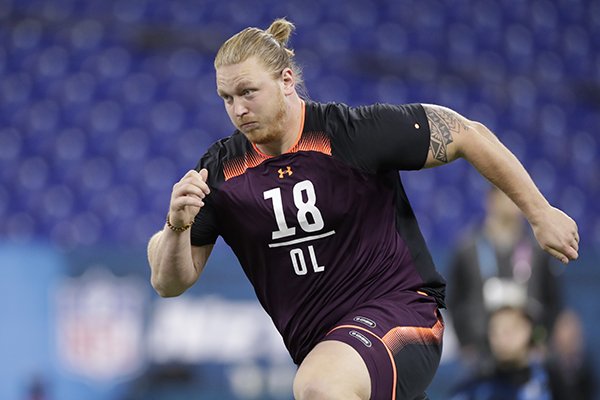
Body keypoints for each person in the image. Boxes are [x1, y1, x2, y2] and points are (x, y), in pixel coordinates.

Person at [146, 18, 579, 400]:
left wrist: (540, 213)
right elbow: (168, 282)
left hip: (403, 319)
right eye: (226, 97)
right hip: (330, 349)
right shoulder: (222, 170)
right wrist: (176, 227)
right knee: (323, 382)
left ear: (286, 80)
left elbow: (466, 133)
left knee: (318, 387)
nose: (237, 109)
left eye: (247, 92)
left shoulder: (349, 135)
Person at [446, 185, 563, 363]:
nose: (516, 202)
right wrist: (466, 343)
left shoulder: (537, 249)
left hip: (528, 352)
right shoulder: (467, 249)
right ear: (491, 200)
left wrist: (541, 339)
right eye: (509, 195)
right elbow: (454, 300)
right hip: (480, 352)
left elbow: (552, 300)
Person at [449, 304, 555, 400]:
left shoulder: (552, 382)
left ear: (527, 330)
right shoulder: (474, 390)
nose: (501, 338)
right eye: (495, 331)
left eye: (508, 330)